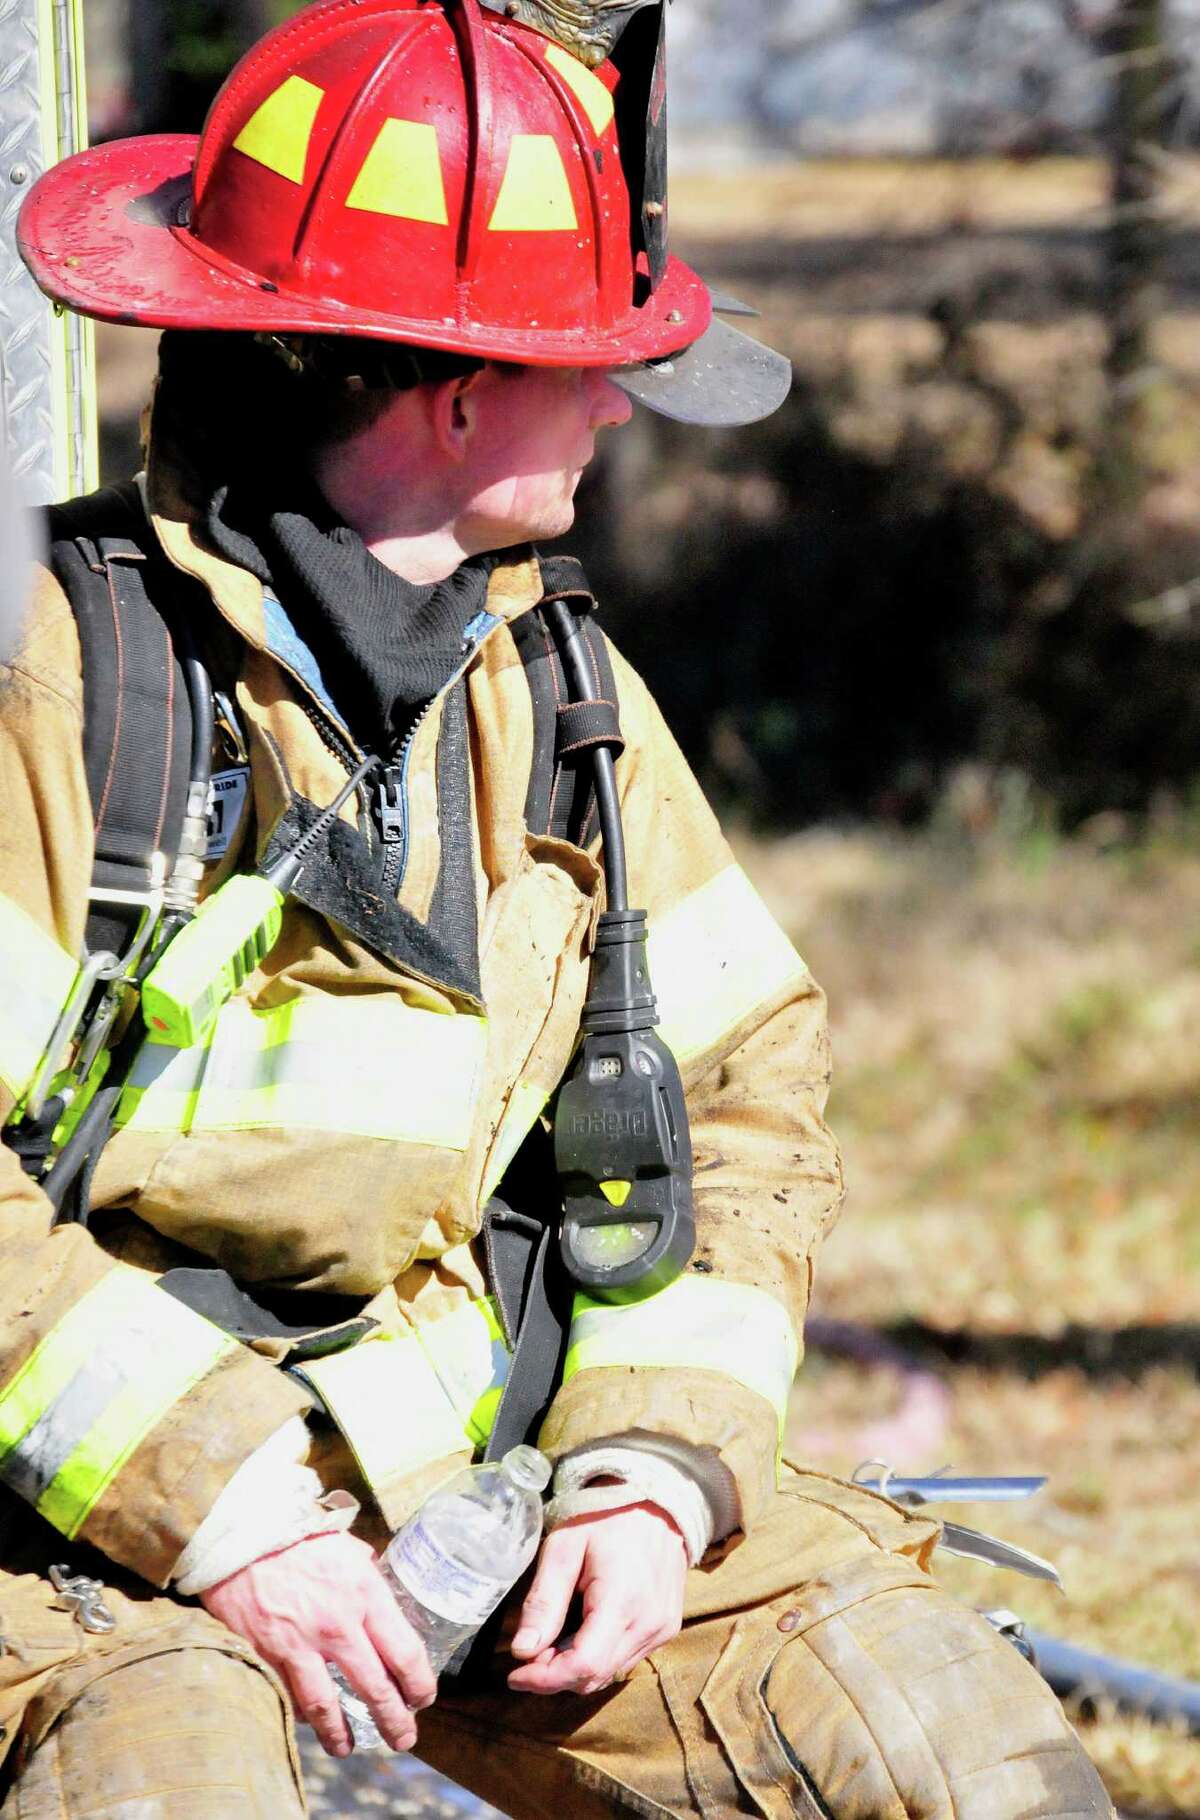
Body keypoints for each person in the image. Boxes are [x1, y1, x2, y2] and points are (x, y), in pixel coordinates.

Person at [0, 2, 1113, 1814]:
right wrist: (225, 1507)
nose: (611, 400)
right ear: (452, 395)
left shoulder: (557, 686)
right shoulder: (57, 685)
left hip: (473, 1485)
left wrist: (652, 1470)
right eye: (584, 361)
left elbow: (742, 1098)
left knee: (931, 1737)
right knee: (163, 1771)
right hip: (84, 1532)